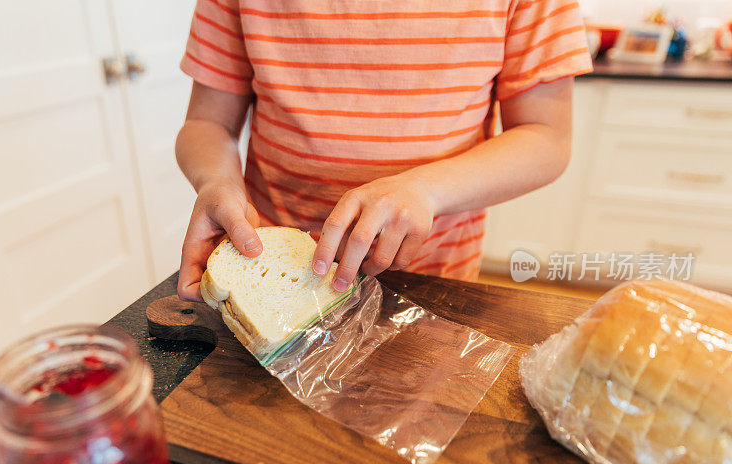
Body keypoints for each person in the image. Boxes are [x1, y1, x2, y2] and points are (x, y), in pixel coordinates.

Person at [175, 0, 592, 301]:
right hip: (272, 272)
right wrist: (216, 180)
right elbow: (207, 122)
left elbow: (546, 137)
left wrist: (425, 190)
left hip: (433, 280)